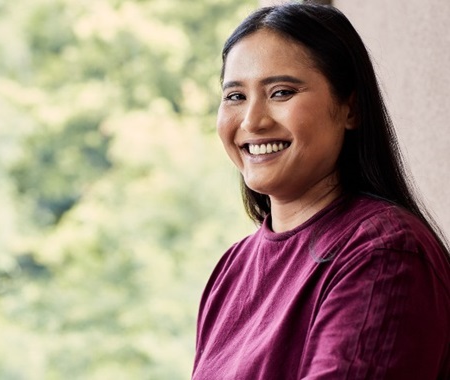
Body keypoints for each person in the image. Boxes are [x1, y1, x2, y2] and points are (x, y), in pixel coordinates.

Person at [192, 3, 450, 380]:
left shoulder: (384, 253)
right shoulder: (233, 268)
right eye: (235, 96)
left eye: (281, 92)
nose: (252, 120)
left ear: (351, 107)